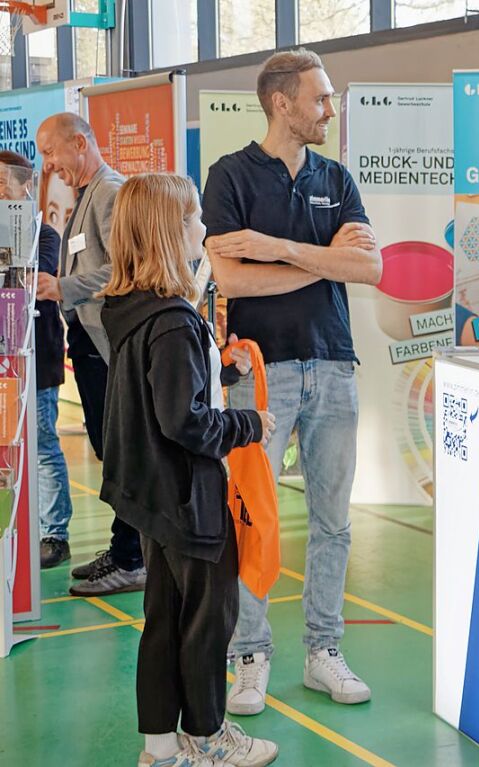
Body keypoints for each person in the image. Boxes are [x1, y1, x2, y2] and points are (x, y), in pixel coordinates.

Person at [203, 48, 381, 715]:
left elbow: (370, 269)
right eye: (321, 97)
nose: (329, 109)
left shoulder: (336, 177)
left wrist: (275, 247)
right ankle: (249, 654)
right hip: (258, 368)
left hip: (334, 362)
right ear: (282, 101)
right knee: (253, 518)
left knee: (334, 522)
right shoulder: (229, 177)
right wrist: (326, 261)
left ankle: (323, 651)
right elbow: (231, 279)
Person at [99, 173, 278, 767]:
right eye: (196, 217)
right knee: (207, 622)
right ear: (171, 232)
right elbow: (185, 423)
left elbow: (165, 395)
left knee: (163, 619)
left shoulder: (132, 309)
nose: (204, 228)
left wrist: (216, 376)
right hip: (186, 496)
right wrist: (247, 424)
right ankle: (208, 737)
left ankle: (160, 745)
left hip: (149, 495)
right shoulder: (173, 320)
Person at [36, 112, 146, 595]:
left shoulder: (112, 193)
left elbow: (121, 270)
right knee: (108, 448)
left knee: (118, 451)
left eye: (51, 152)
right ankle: (123, 547)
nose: (48, 165)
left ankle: (132, 558)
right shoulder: (85, 195)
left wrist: (62, 286)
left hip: (109, 344)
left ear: (79, 143)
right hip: (89, 342)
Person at [0, 150, 73, 569]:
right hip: (6, 359)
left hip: (36, 358)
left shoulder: (43, 235)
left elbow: (36, 283)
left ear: (23, 185)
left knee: (43, 444)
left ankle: (53, 532)